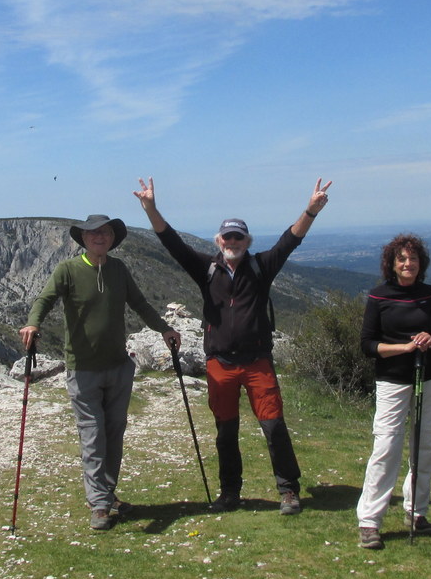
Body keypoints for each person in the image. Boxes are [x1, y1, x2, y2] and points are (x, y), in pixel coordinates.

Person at [133, 176, 331, 514]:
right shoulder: (206, 268)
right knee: (225, 432)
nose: (233, 241)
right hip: (220, 363)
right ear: (219, 240)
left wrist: (310, 211)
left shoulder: (261, 267)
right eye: (228, 236)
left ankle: (288, 491)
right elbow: (172, 243)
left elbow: (289, 241)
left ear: (247, 241)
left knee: (274, 426)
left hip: (257, 361)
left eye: (239, 237)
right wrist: (151, 208)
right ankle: (230, 493)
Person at [20, 215, 181, 531]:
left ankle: (105, 494)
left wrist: (165, 329)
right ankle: (99, 506)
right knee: (93, 436)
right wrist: (33, 323)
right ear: (83, 238)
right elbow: (45, 298)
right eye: (93, 232)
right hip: (83, 370)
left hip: (119, 367)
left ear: (112, 238)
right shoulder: (67, 270)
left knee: (113, 435)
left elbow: (140, 304)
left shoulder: (118, 269)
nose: (99, 237)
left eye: (105, 232)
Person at [356, 233, 431, 550]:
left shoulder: (430, 295)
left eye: (412, 259)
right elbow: (368, 345)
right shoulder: (379, 297)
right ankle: (370, 522)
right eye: (402, 259)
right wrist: (405, 347)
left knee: (425, 445)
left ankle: (417, 512)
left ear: (420, 263)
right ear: (392, 264)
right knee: (386, 446)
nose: (407, 264)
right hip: (392, 380)